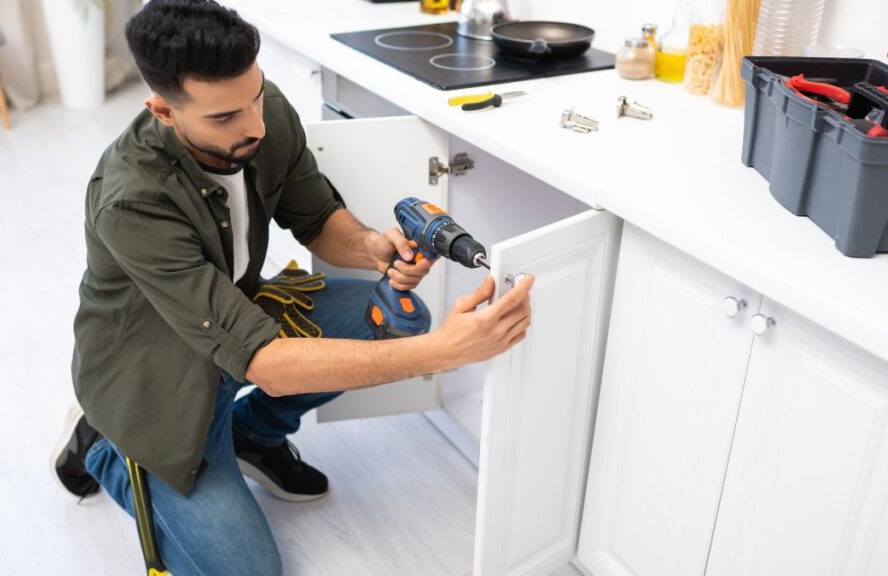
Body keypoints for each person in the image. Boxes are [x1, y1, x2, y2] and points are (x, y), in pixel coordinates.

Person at [51, 1, 534, 573]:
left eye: (254, 97)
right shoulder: (133, 200)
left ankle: (252, 434)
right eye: (225, 117)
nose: (254, 125)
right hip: (154, 379)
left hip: (229, 321)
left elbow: (317, 218)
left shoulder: (263, 112)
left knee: (388, 320)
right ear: (162, 110)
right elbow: (267, 364)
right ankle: (105, 444)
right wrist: (445, 355)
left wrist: (371, 247)